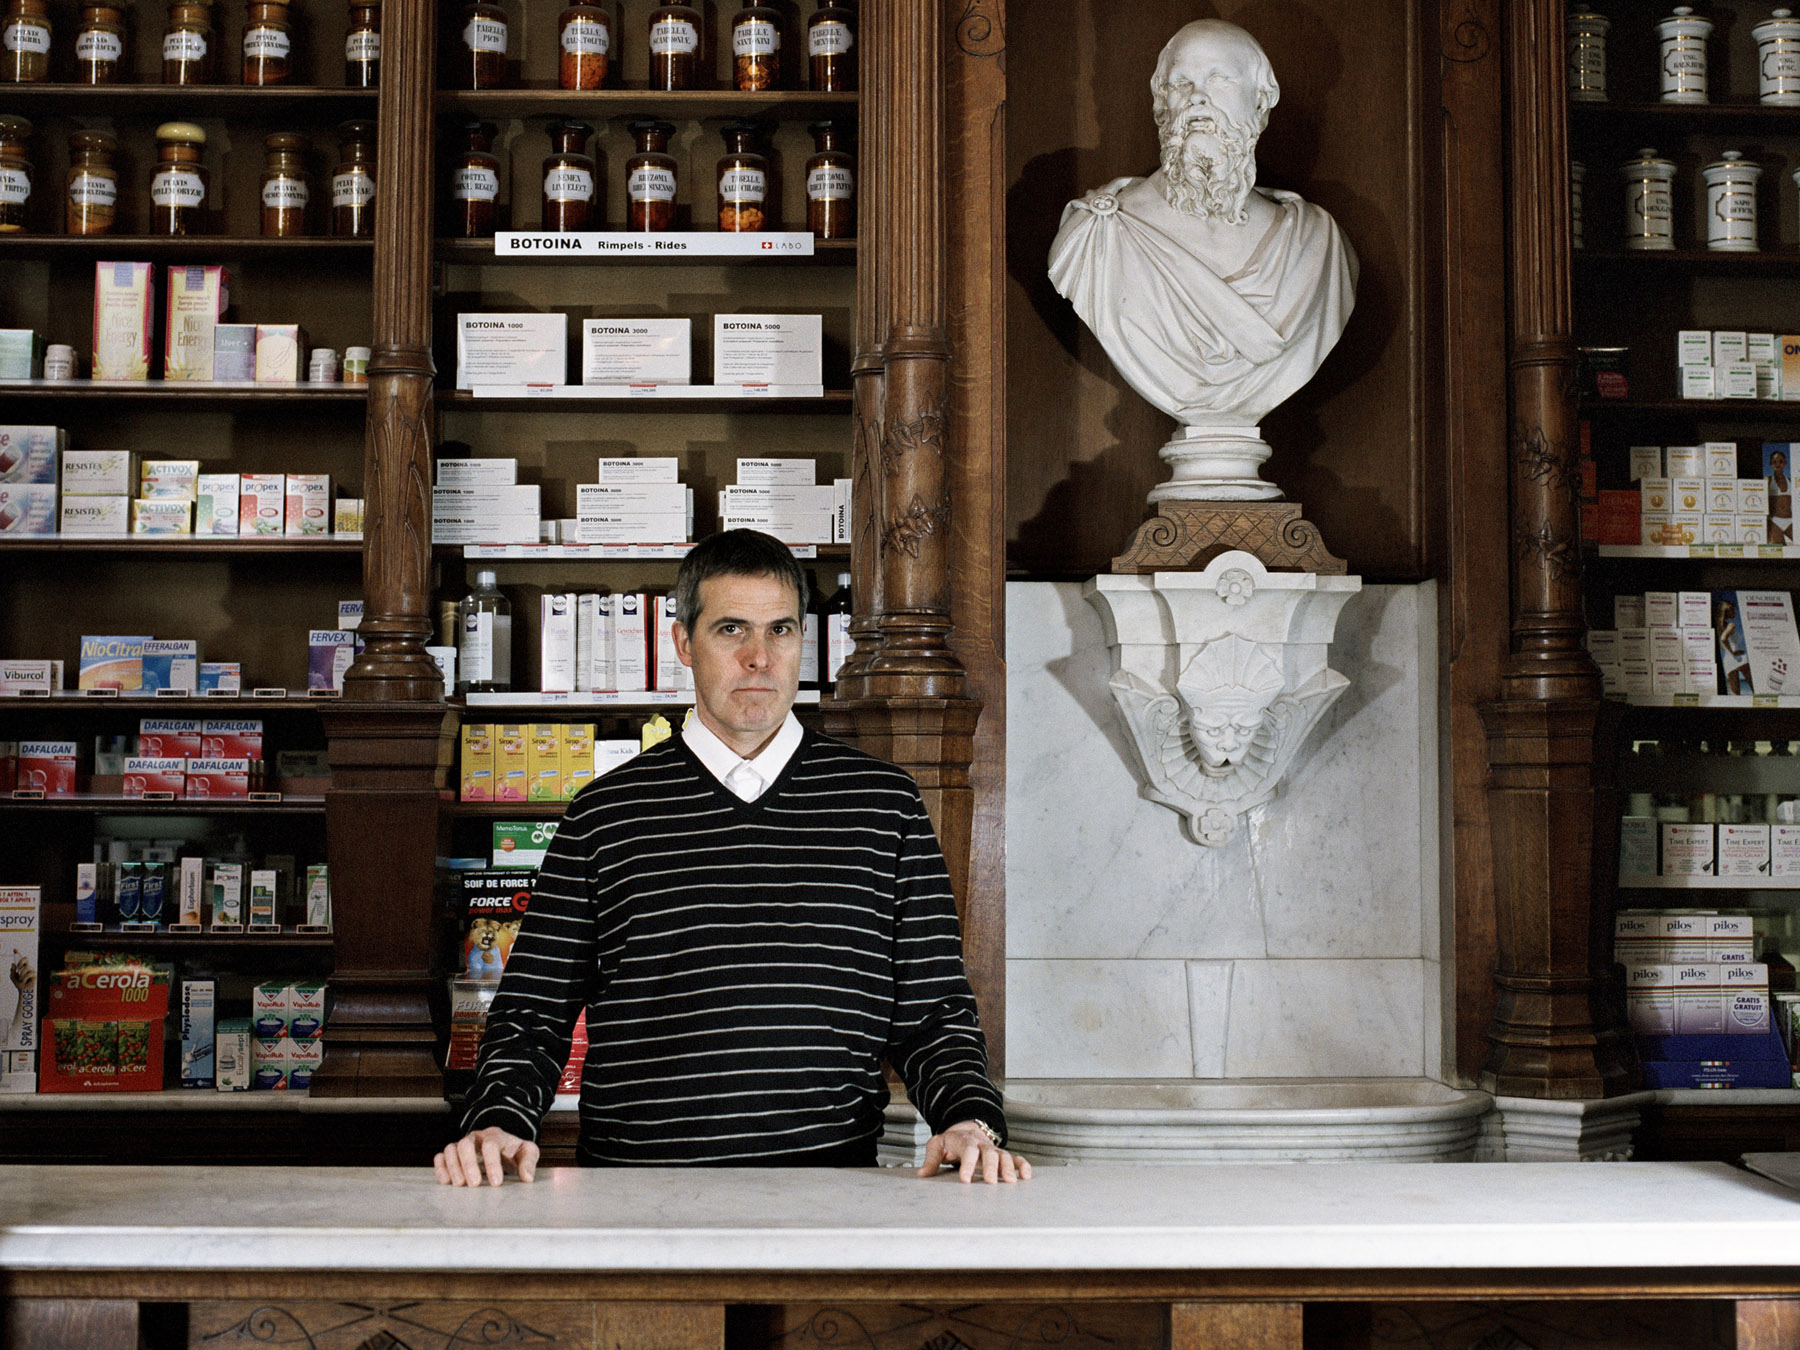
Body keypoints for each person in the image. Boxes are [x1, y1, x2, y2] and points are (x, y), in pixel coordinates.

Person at [434, 529, 1028, 1186]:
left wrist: (968, 1118)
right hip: (637, 1195)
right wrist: (500, 1119)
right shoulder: (604, 814)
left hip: (833, 1194)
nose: (759, 658)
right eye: (731, 630)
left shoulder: (884, 806)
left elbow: (934, 1010)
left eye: (781, 630)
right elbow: (533, 1011)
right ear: (683, 643)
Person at [1047, 18, 1357, 434]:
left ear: (1261, 101)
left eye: (1219, 79)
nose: (1197, 98)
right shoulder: (1097, 236)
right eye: (1181, 84)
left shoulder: (1315, 246)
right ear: (1162, 105)